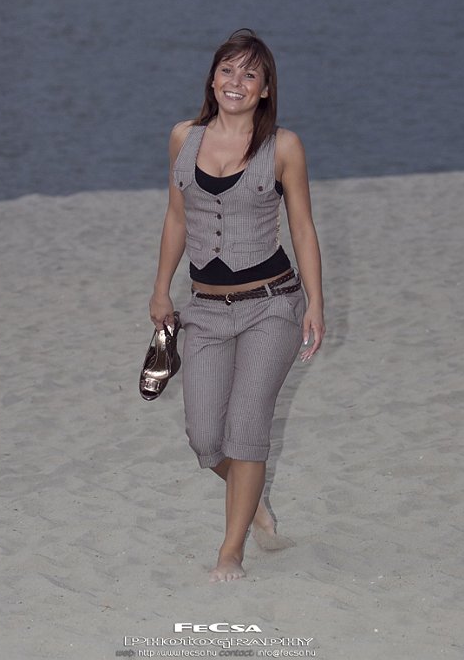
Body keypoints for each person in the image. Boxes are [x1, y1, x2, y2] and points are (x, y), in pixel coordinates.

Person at [149, 29, 325, 583]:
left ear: (265, 89)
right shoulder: (184, 138)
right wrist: (161, 288)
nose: (236, 82)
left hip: (272, 305)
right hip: (203, 308)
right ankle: (252, 502)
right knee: (205, 437)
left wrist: (315, 303)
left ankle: (231, 551)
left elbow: (302, 227)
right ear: (212, 79)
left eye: (250, 74)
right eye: (227, 70)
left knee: (247, 427)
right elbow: (177, 217)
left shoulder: (284, 147)